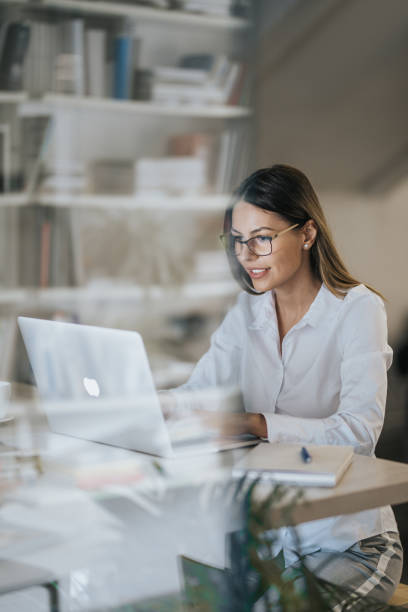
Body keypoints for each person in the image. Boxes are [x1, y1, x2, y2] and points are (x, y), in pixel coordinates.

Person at [175, 164, 403, 604]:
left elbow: (358, 432)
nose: (247, 254)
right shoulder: (246, 312)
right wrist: (138, 404)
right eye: (238, 240)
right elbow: (195, 394)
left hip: (347, 543)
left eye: (262, 238)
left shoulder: (357, 310)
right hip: (268, 545)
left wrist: (258, 424)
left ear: (307, 233)